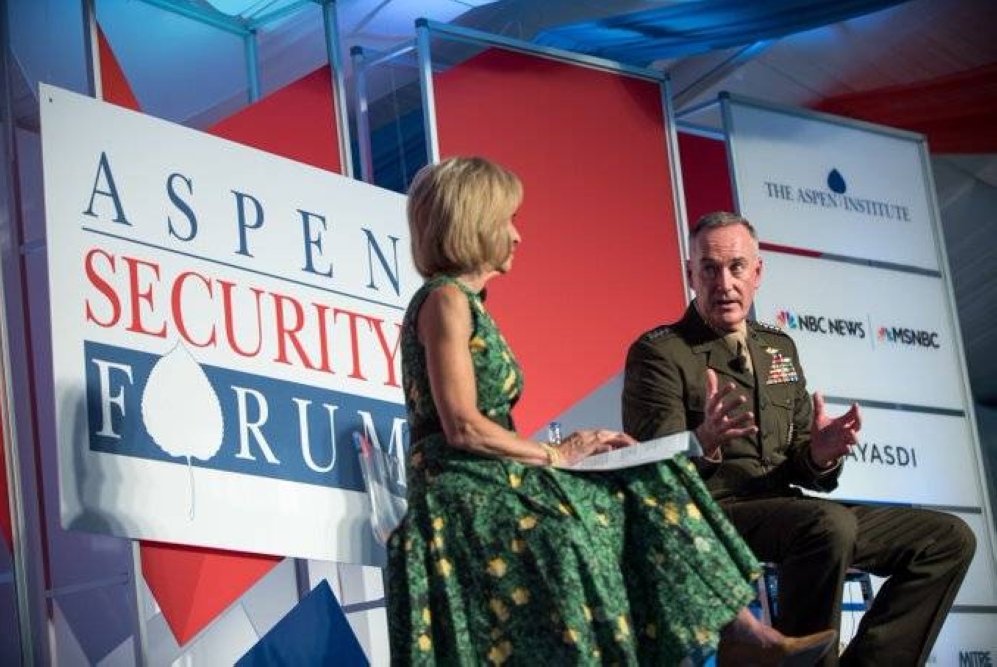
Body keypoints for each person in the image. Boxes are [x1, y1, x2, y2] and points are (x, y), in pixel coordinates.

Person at [387, 159, 836, 666]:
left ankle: (738, 632)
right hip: (463, 490)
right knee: (643, 484)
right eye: (507, 220)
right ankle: (735, 636)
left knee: (649, 472)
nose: (516, 235)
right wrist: (556, 454)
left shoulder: (464, 302)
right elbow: (463, 426)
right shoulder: (446, 300)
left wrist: (573, 453)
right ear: (475, 223)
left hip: (494, 478)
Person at [622, 211, 976, 667]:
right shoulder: (659, 352)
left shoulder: (778, 347)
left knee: (947, 537)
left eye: (736, 267)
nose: (724, 283)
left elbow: (801, 464)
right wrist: (702, 443)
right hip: (712, 514)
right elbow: (652, 474)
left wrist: (820, 455)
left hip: (790, 510)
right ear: (691, 274)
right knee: (828, 525)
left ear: (757, 272)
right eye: (709, 269)